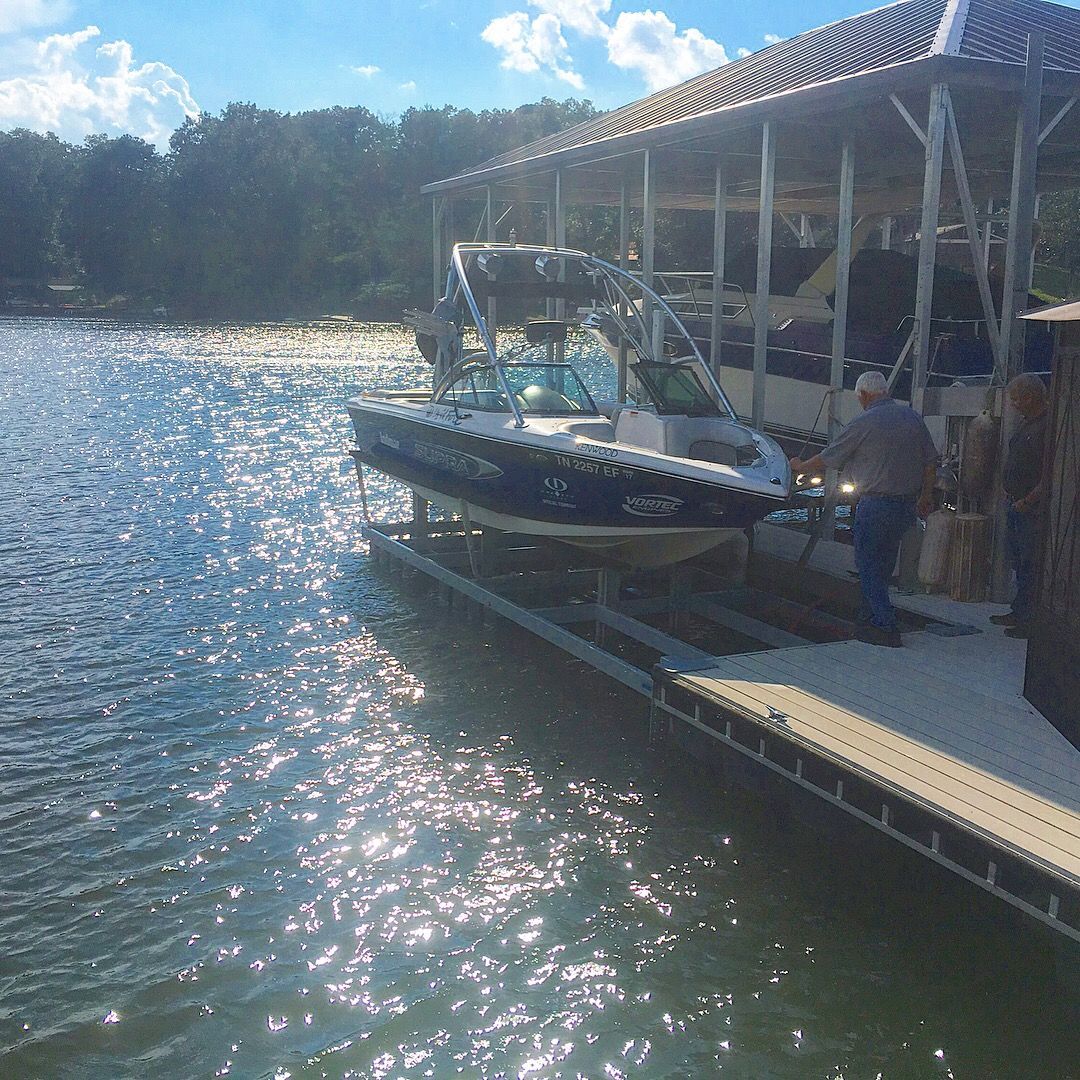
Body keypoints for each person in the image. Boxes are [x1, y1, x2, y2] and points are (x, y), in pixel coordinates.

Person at [790, 371, 938, 648]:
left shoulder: (863, 422)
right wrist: (926, 495)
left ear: (864, 395)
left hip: (875, 503)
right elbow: (931, 461)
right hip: (905, 503)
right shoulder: (912, 418)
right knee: (884, 565)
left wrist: (800, 466)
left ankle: (885, 624)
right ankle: (867, 619)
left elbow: (831, 456)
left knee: (868, 565)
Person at [990, 373, 1049, 639]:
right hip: (1016, 503)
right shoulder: (1028, 424)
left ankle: (1029, 618)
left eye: (1015, 398)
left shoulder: (1046, 426)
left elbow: (1050, 473)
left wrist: (1029, 500)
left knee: (1030, 563)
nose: (1012, 403)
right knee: (1018, 561)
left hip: (1030, 509)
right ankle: (1019, 609)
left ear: (1029, 397)